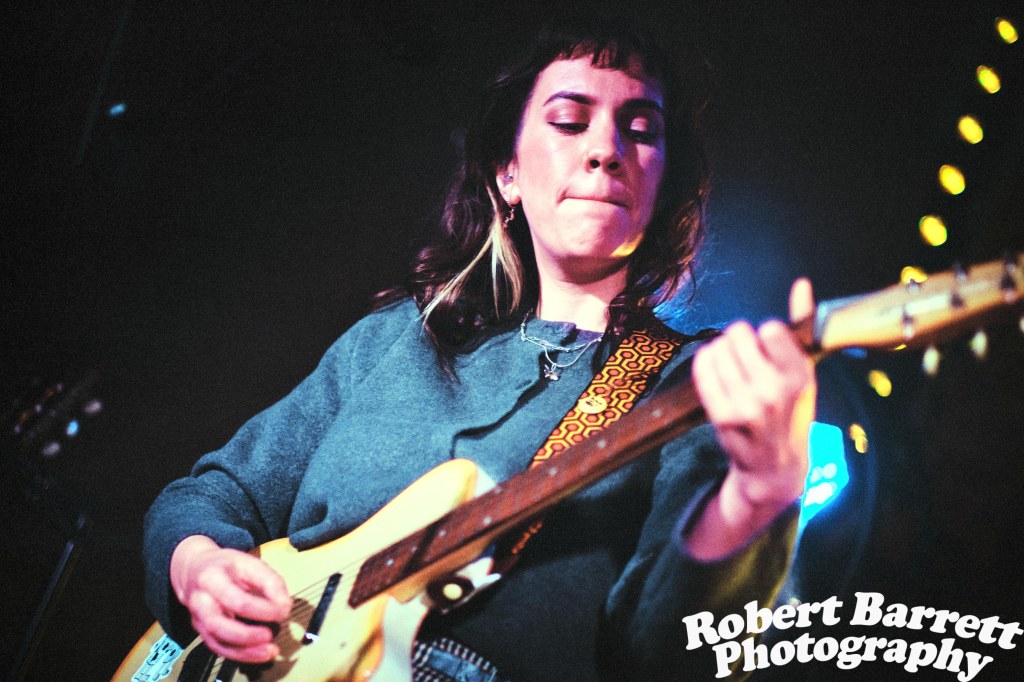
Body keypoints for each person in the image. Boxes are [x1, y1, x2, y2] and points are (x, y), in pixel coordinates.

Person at [142, 17, 817, 682]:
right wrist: (200, 566)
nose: (606, 149)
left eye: (641, 131)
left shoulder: (693, 384)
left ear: (664, 187)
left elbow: (676, 655)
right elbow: (213, 493)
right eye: (570, 121)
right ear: (507, 172)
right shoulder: (399, 337)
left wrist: (757, 496)